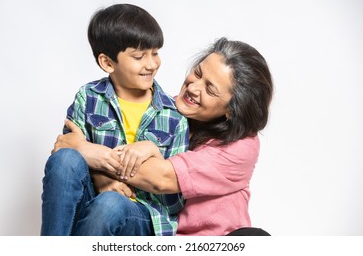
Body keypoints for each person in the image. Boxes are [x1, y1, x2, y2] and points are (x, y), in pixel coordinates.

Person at [54, 37, 274, 235]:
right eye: (197, 73)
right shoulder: (167, 112)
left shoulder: (242, 145)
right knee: (69, 165)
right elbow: (120, 153)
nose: (194, 87)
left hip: (212, 241)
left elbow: (160, 178)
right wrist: (95, 171)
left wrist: (86, 150)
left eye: (210, 89)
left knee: (256, 240)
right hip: (150, 233)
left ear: (231, 110)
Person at [40, 3, 189, 236]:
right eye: (139, 56)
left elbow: (175, 203)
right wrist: (101, 179)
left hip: (142, 217)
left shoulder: (173, 117)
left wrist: (151, 160)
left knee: (109, 204)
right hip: (92, 202)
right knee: (65, 160)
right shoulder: (88, 97)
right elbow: (67, 153)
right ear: (108, 63)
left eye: (155, 52)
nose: (151, 64)